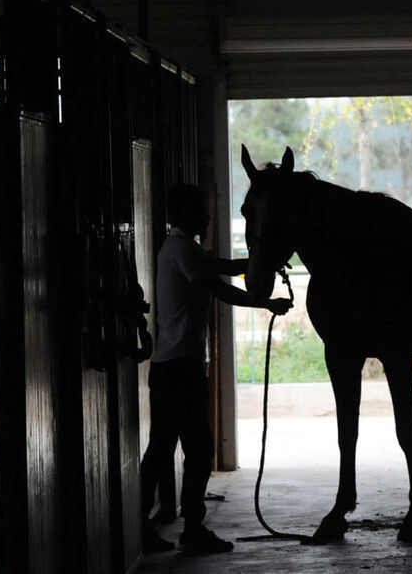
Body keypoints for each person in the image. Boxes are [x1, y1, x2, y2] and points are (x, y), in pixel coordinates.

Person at [140, 183, 292, 554]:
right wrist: (264, 302)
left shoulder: (183, 247)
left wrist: (259, 261)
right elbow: (217, 287)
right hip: (179, 369)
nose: (207, 218)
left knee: (172, 449)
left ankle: (161, 526)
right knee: (189, 449)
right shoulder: (180, 249)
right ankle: (188, 529)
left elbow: (219, 267)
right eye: (201, 212)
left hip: (177, 367)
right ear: (184, 215)